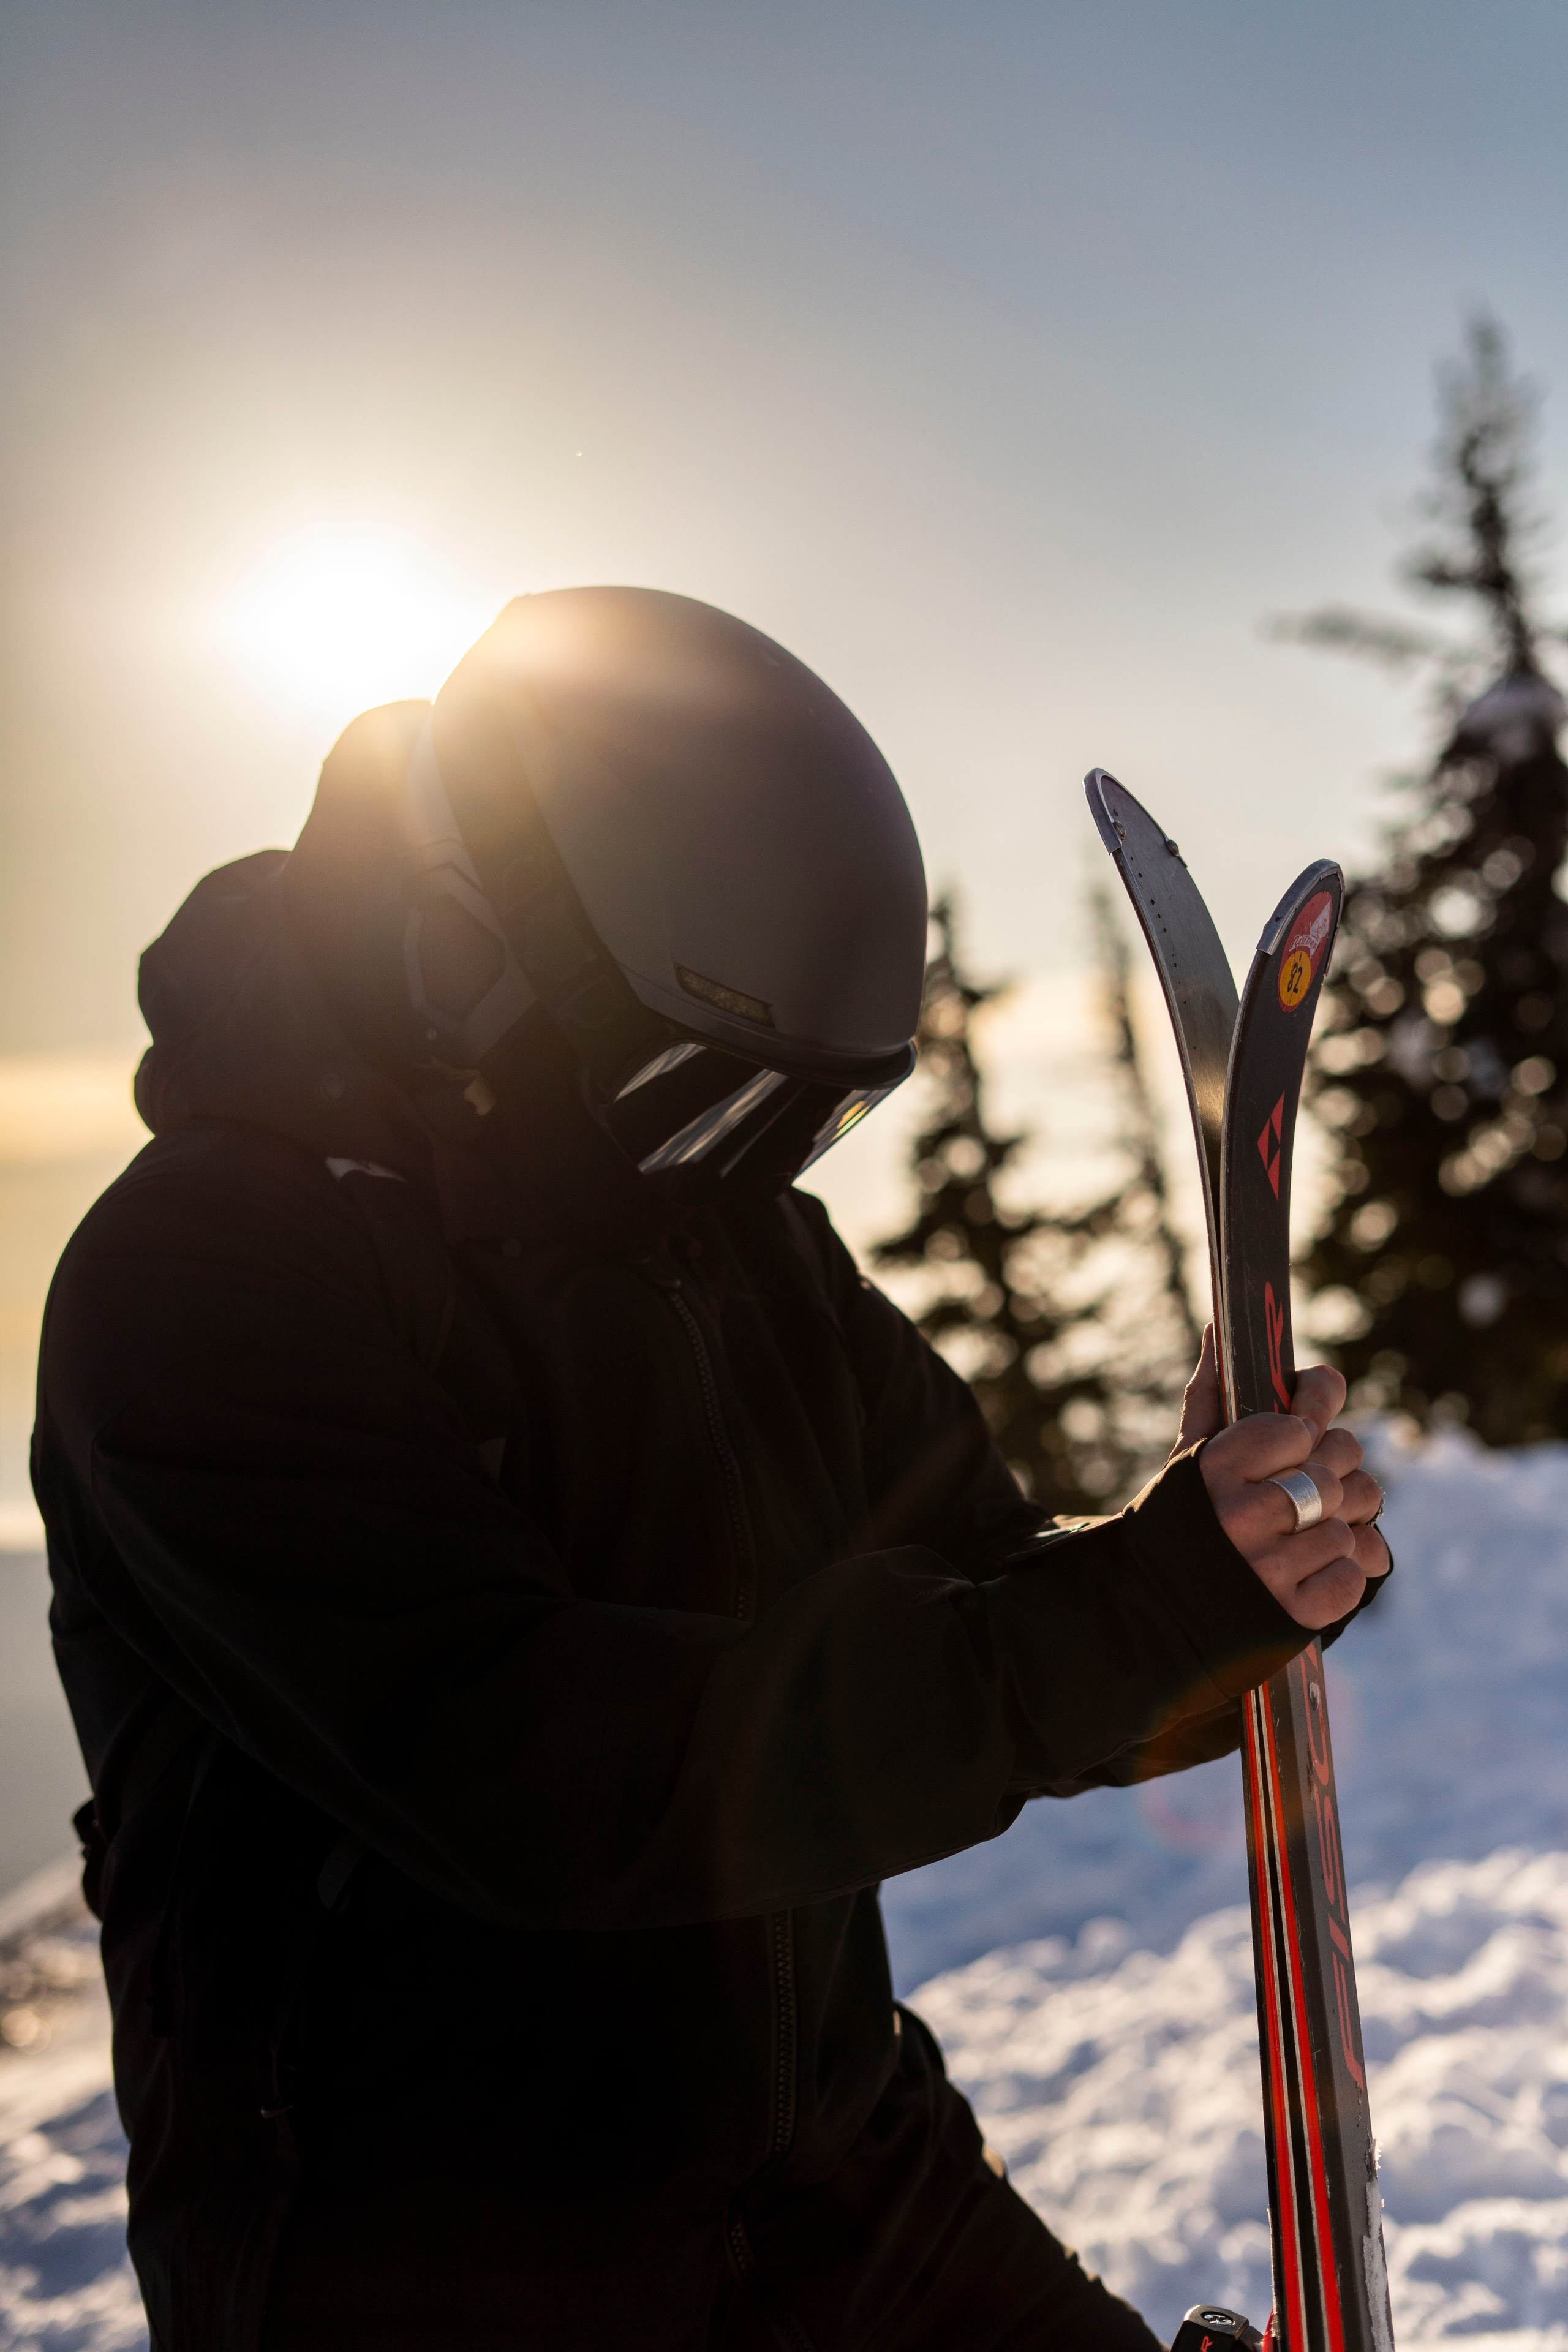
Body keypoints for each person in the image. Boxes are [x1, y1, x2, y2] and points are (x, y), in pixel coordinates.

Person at [33, 587, 1390, 2352]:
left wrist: (1211, 1585)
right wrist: (1131, 1616)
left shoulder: (721, 1238)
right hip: (446, 2266)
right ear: (467, 962)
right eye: (708, 1100)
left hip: (830, 2173)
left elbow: (992, 1594)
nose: (751, 1169)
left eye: (806, 1124)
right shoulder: (208, 1277)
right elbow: (544, 1771)